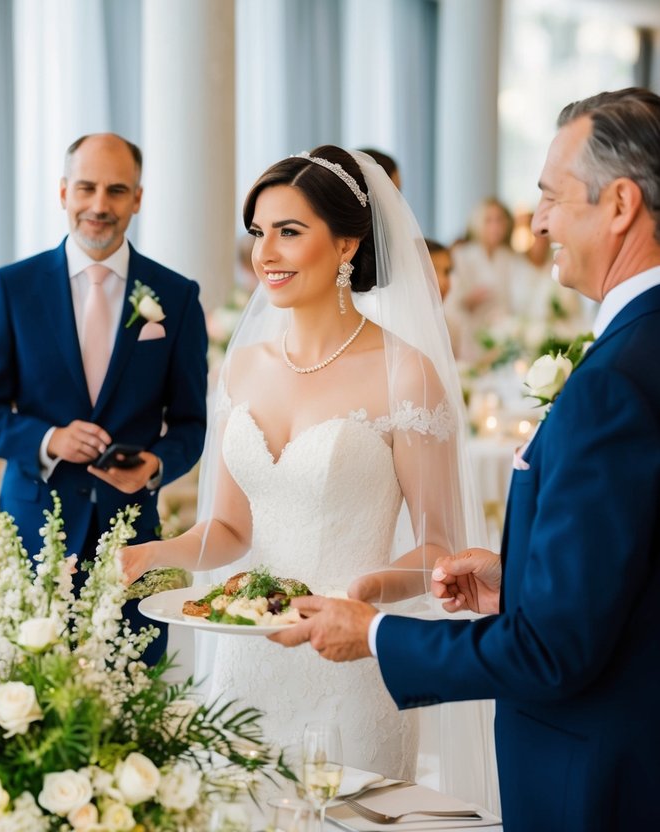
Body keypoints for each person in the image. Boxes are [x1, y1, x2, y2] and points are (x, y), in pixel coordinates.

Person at [273, 88, 660, 831]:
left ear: (617, 204)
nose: (537, 220)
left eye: (549, 197)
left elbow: (553, 653)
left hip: (601, 776)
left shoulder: (614, 380)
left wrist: (376, 634)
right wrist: (518, 582)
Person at [122, 146, 483, 781]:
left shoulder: (406, 375)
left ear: (347, 245)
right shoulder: (242, 366)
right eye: (259, 233)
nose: (266, 253)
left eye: (290, 232)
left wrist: (366, 590)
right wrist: (153, 553)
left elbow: (436, 548)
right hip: (248, 660)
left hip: (348, 659)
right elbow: (231, 532)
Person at [0, 133, 208, 660]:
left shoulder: (177, 296)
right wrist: (48, 439)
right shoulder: (13, 287)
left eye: (116, 191)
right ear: (63, 192)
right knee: (31, 711)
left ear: (137, 199)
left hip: (133, 541)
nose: (100, 206)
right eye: (87, 188)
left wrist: (156, 465)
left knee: (134, 703)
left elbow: (191, 424)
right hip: (33, 535)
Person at [445, 197, 521, 360]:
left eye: (500, 220)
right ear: (478, 223)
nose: (495, 227)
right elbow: (451, 299)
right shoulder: (462, 255)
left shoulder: (511, 258)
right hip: (471, 333)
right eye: (489, 220)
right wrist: (469, 300)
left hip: (504, 335)